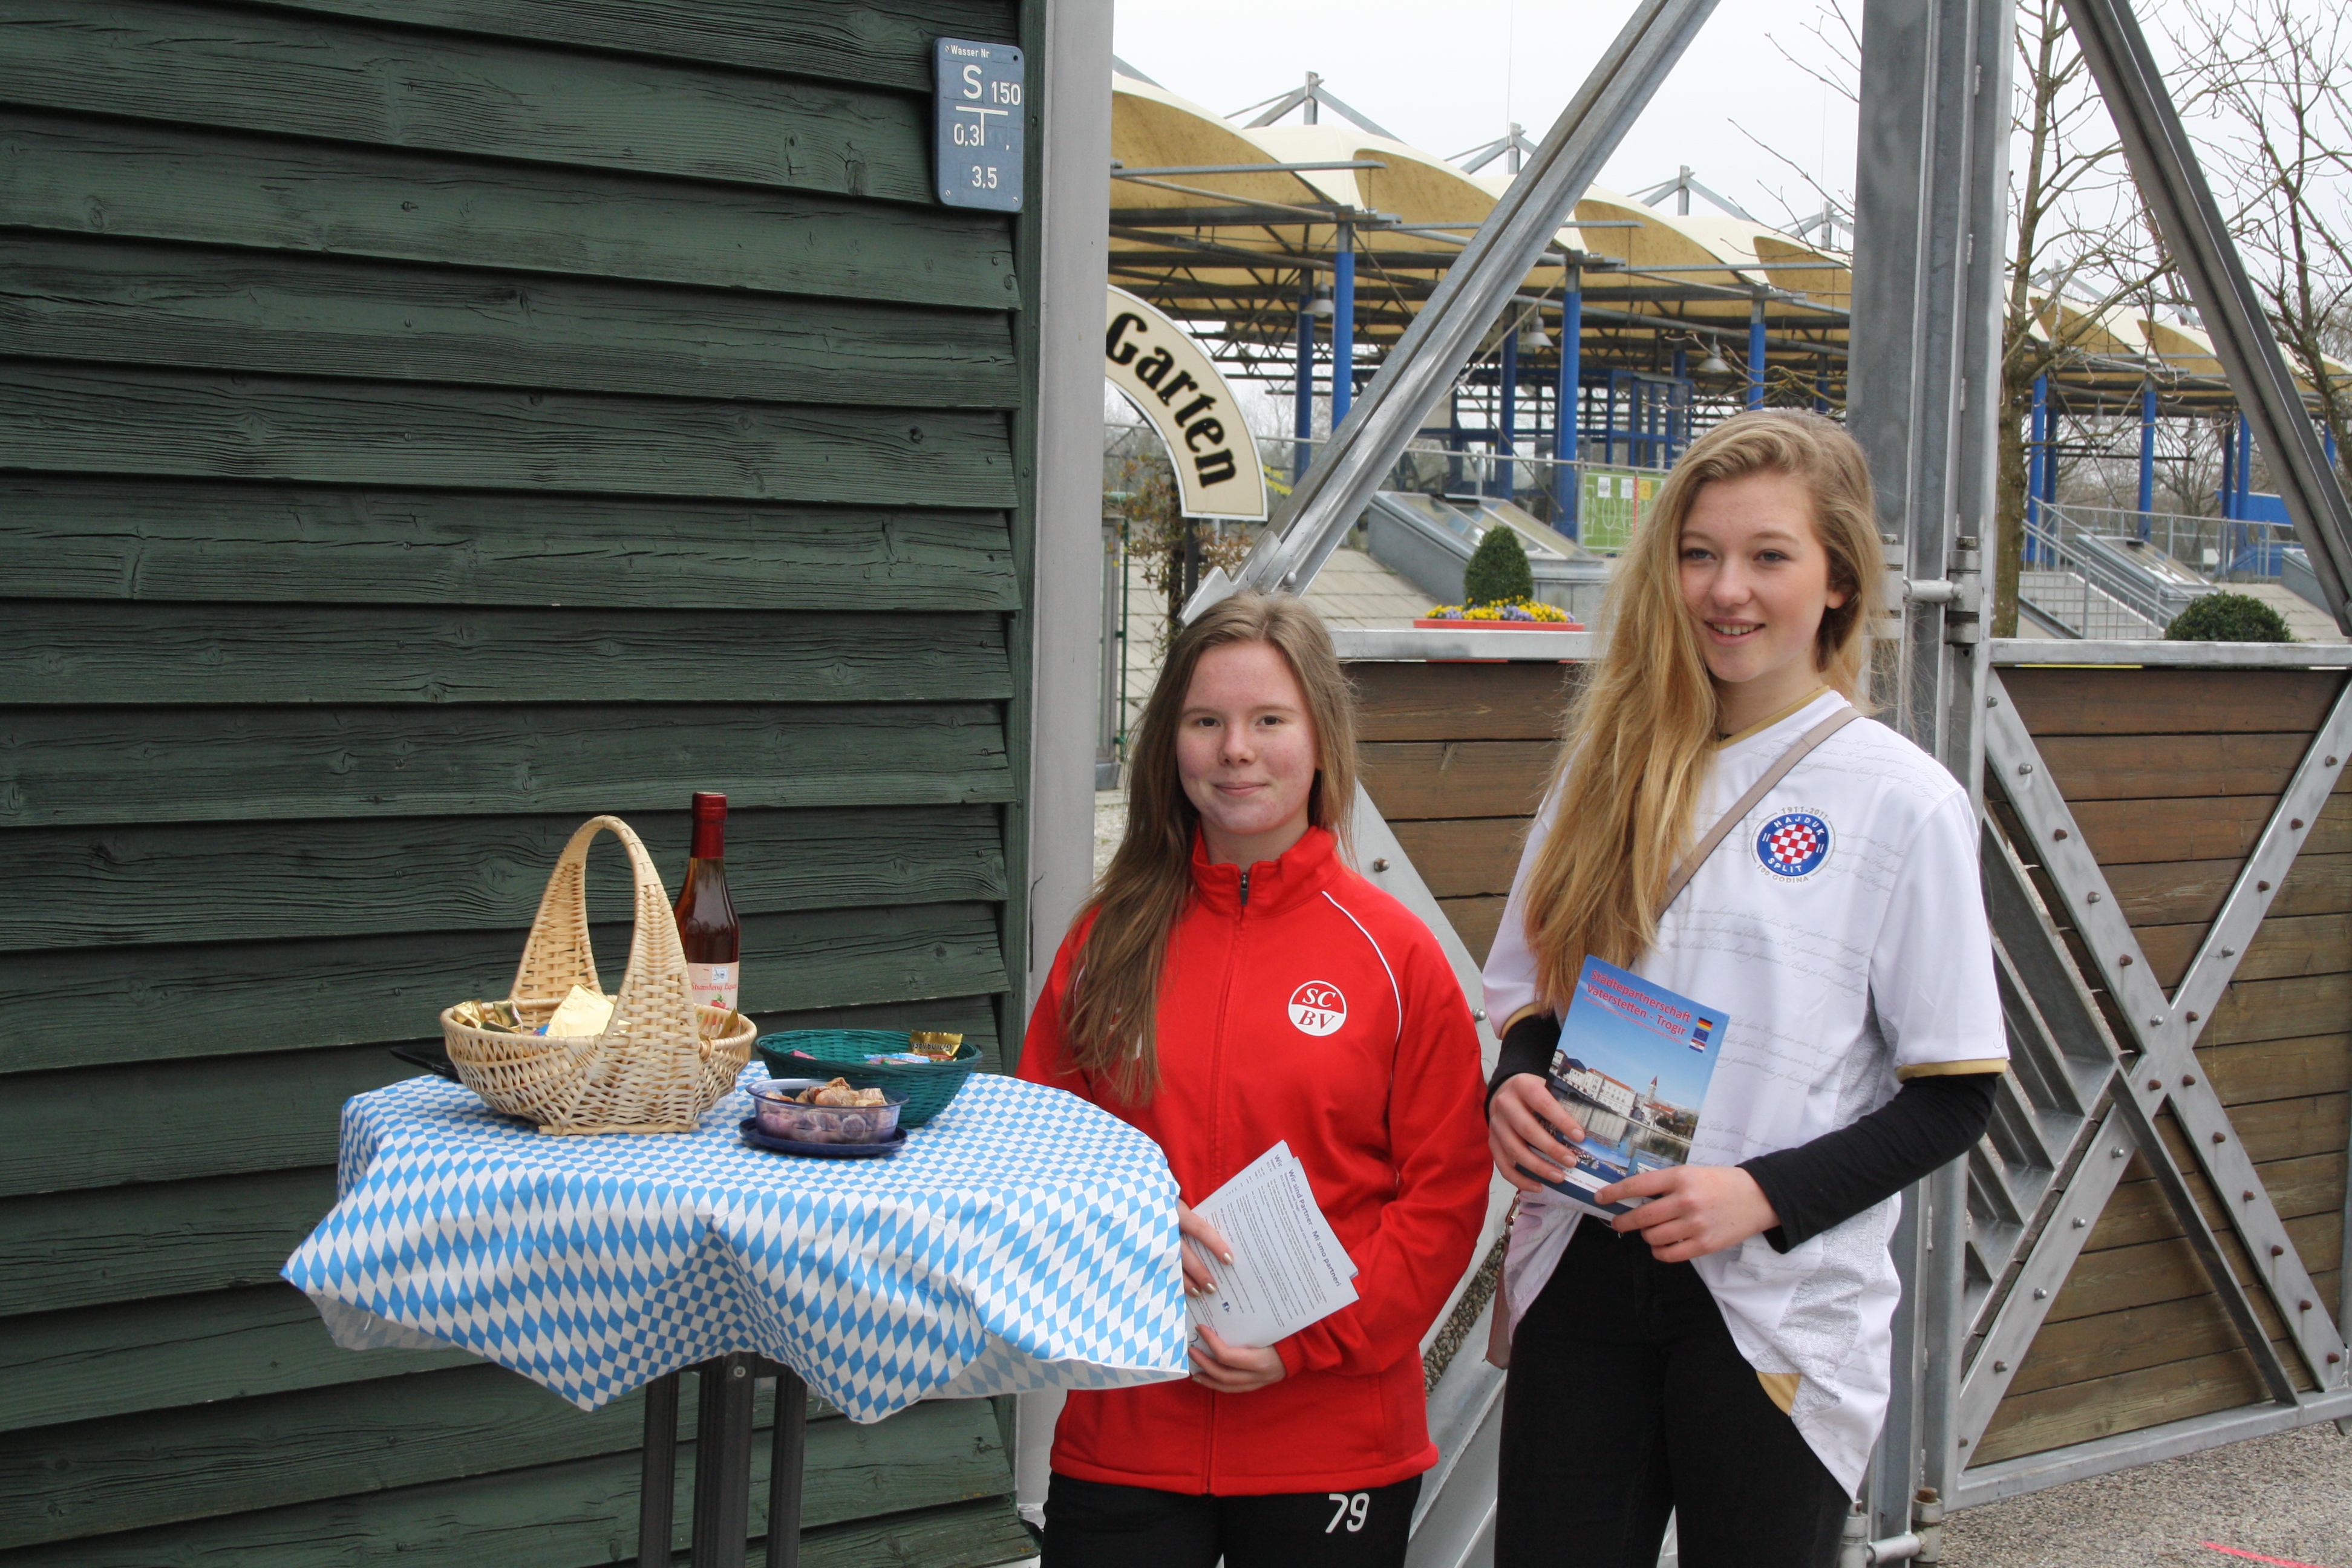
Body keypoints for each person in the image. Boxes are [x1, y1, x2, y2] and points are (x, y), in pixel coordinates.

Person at [1480, 411, 2006, 1568]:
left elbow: (1956, 1093)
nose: (1728, 589)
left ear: (1838, 581)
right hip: (1583, 1257)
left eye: (1770, 556)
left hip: (1772, 1300)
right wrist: (1515, 1085)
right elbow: (1535, 999)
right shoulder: (1605, 768)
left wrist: (1757, 1194)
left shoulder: (1899, 800)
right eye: (1699, 553)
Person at [1019, 590, 1491, 1568]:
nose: (1237, 749)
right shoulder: (1106, 943)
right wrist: (1129, 1231)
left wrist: (1304, 1346)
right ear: (1172, 747)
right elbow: (1037, 1158)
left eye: (1268, 720)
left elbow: (1444, 1199)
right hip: (1129, 1429)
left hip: (1333, 1437)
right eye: (1206, 722)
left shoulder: (1394, 955)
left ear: (1319, 738)